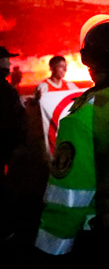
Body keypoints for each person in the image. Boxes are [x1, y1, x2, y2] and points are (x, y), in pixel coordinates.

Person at [33, 20, 109, 266]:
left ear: (90, 64)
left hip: (104, 237)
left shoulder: (83, 117)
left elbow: (69, 198)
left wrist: (48, 250)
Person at [0, 46, 26, 242]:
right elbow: (11, 117)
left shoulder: (5, 87)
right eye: (6, 60)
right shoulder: (3, 89)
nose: (9, 63)